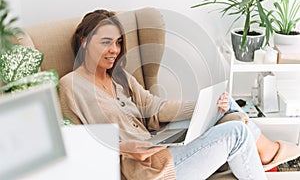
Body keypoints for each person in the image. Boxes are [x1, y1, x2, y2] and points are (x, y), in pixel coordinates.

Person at [59, 9, 300, 180]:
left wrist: (203, 106)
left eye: (119, 42)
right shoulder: (71, 85)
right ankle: (268, 153)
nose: (114, 50)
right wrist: (123, 147)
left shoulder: (120, 78)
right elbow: (76, 141)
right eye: (106, 42)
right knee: (237, 132)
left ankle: (266, 150)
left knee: (223, 103)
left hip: (158, 146)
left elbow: (154, 107)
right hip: (145, 171)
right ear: (84, 41)